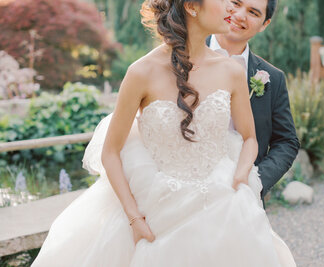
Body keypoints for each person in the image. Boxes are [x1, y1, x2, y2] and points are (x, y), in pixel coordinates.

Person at [31, 0, 296, 266]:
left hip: (223, 201)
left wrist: (240, 178)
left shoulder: (232, 71)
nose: (231, 8)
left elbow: (250, 138)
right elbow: (110, 152)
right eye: (225, 0)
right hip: (157, 205)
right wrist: (134, 219)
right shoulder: (140, 72)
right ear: (192, 6)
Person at [206, 0, 300, 206]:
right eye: (235, 3)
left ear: (264, 24)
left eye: (253, 12)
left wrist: (254, 182)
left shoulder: (273, 78)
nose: (240, 15)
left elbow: (286, 141)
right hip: (187, 191)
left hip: (241, 198)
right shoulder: (180, 57)